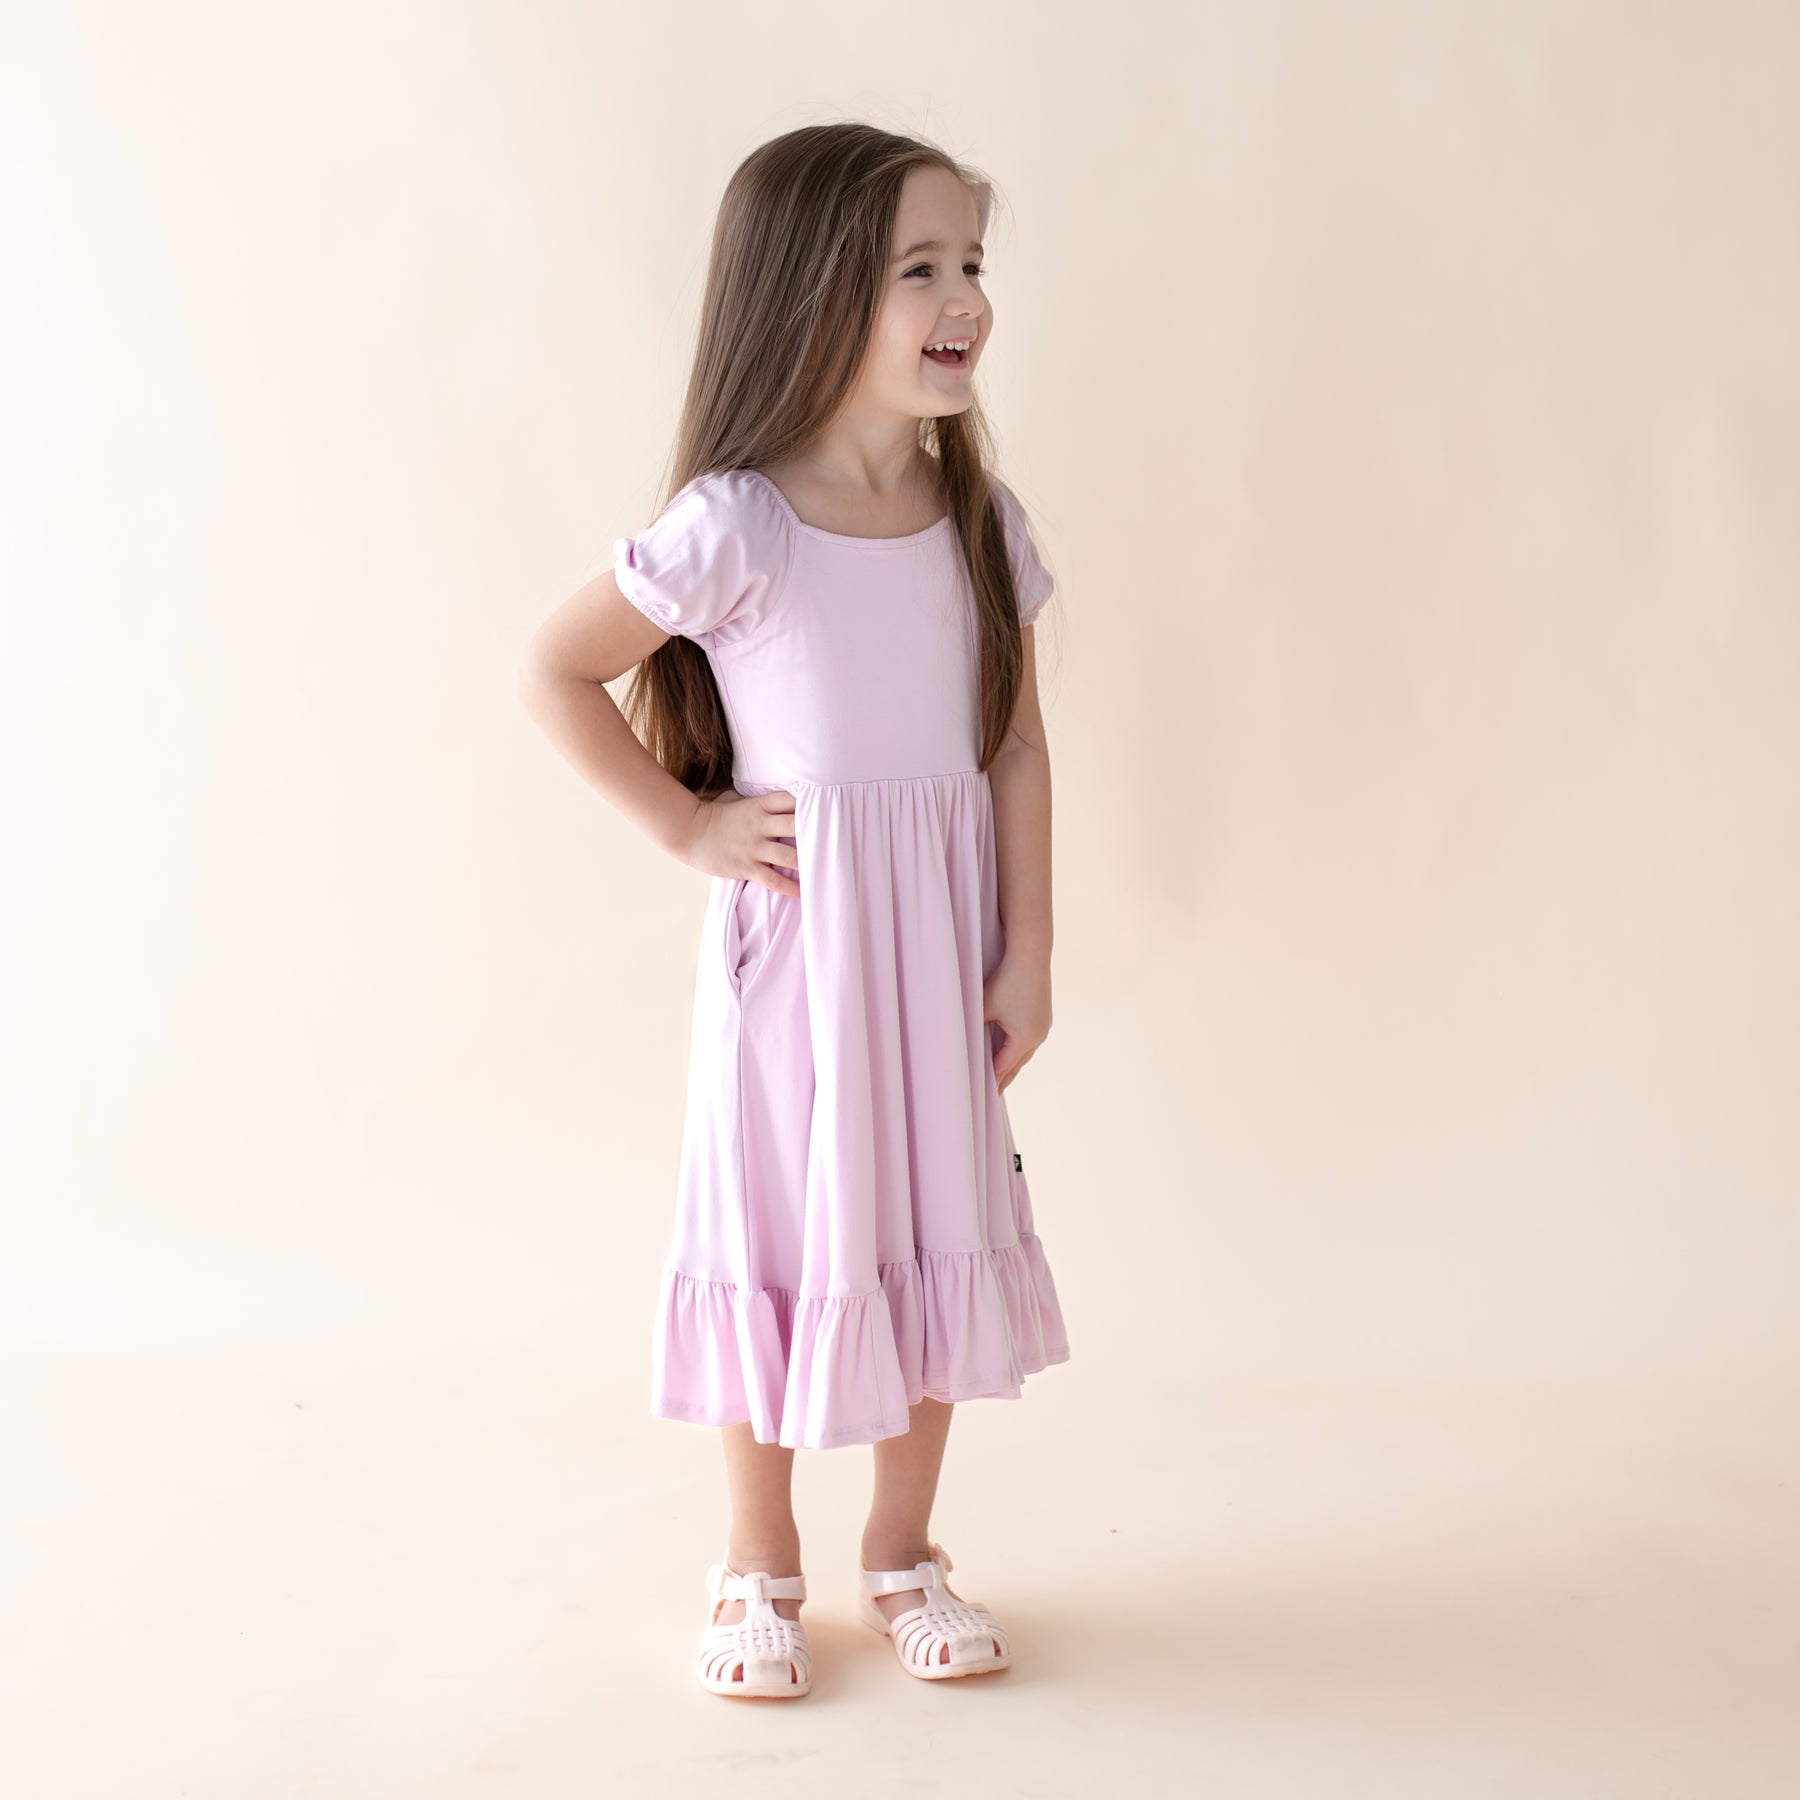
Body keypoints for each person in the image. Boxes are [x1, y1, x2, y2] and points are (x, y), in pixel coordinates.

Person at [517, 122, 1069, 1699]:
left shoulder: (980, 526)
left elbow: (1016, 743)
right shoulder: (741, 522)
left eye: (972, 264)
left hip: (939, 962)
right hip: (798, 967)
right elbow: (555, 667)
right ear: (810, 293)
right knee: (774, 1233)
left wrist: (1031, 951)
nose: (963, 296)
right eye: (920, 268)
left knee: (933, 1231)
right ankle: (757, 1563)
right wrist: (687, 823)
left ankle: (904, 1553)